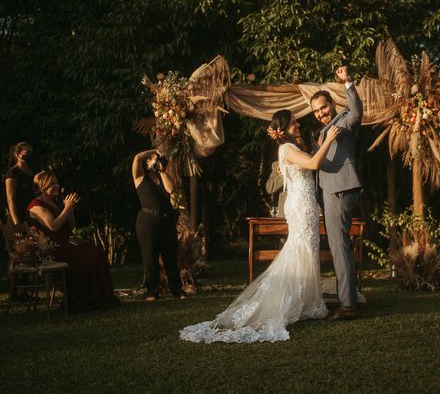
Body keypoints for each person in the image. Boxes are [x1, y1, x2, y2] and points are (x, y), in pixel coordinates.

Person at [180, 111, 340, 343]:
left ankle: (307, 300)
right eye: (293, 121)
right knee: (300, 249)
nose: (298, 123)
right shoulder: (286, 149)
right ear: (283, 129)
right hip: (300, 207)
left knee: (307, 250)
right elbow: (314, 164)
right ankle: (292, 301)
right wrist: (330, 139)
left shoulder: (293, 148)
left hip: (306, 204)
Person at [309, 65, 362, 320]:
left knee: (339, 247)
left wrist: (348, 83)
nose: (321, 113)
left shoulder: (344, 119)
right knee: (337, 246)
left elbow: (357, 112)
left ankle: (348, 306)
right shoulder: (321, 132)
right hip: (328, 192)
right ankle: (347, 299)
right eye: (317, 111)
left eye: (324, 107)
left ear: (331, 102)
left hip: (341, 188)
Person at [27, 171, 119, 313]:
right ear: (42, 187)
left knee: (95, 252)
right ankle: (81, 301)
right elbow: (53, 226)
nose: (57, 186)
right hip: (53, 247)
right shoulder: (36, 205)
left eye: (57, 182)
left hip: (66, 242)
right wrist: (67, 208)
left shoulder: (55, 202)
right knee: (85, 257)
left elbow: (71, 227)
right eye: (53, 183)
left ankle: (98, 297)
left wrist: (70, 211)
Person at [132, 149, 186, 301]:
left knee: (170, 256)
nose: (155, 162)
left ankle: (177, 289)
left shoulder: (164, 177)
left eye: (157, 160)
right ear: (147, 162)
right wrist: (154, 151)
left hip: (166, 221)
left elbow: (171, 188)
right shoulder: (140, 177)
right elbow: (137, 157)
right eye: (152, 160)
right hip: (147, 221)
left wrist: (161, 170)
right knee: (150, 257)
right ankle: (152, 291)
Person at [5, 142, 35, 227]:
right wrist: (17, 223)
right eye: (27, 153)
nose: (29, 155)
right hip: (19, 217)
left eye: (30, 152)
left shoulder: (32, 170)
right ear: (17, 155)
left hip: (32, 215)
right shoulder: (13, 172)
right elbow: (11, 199)